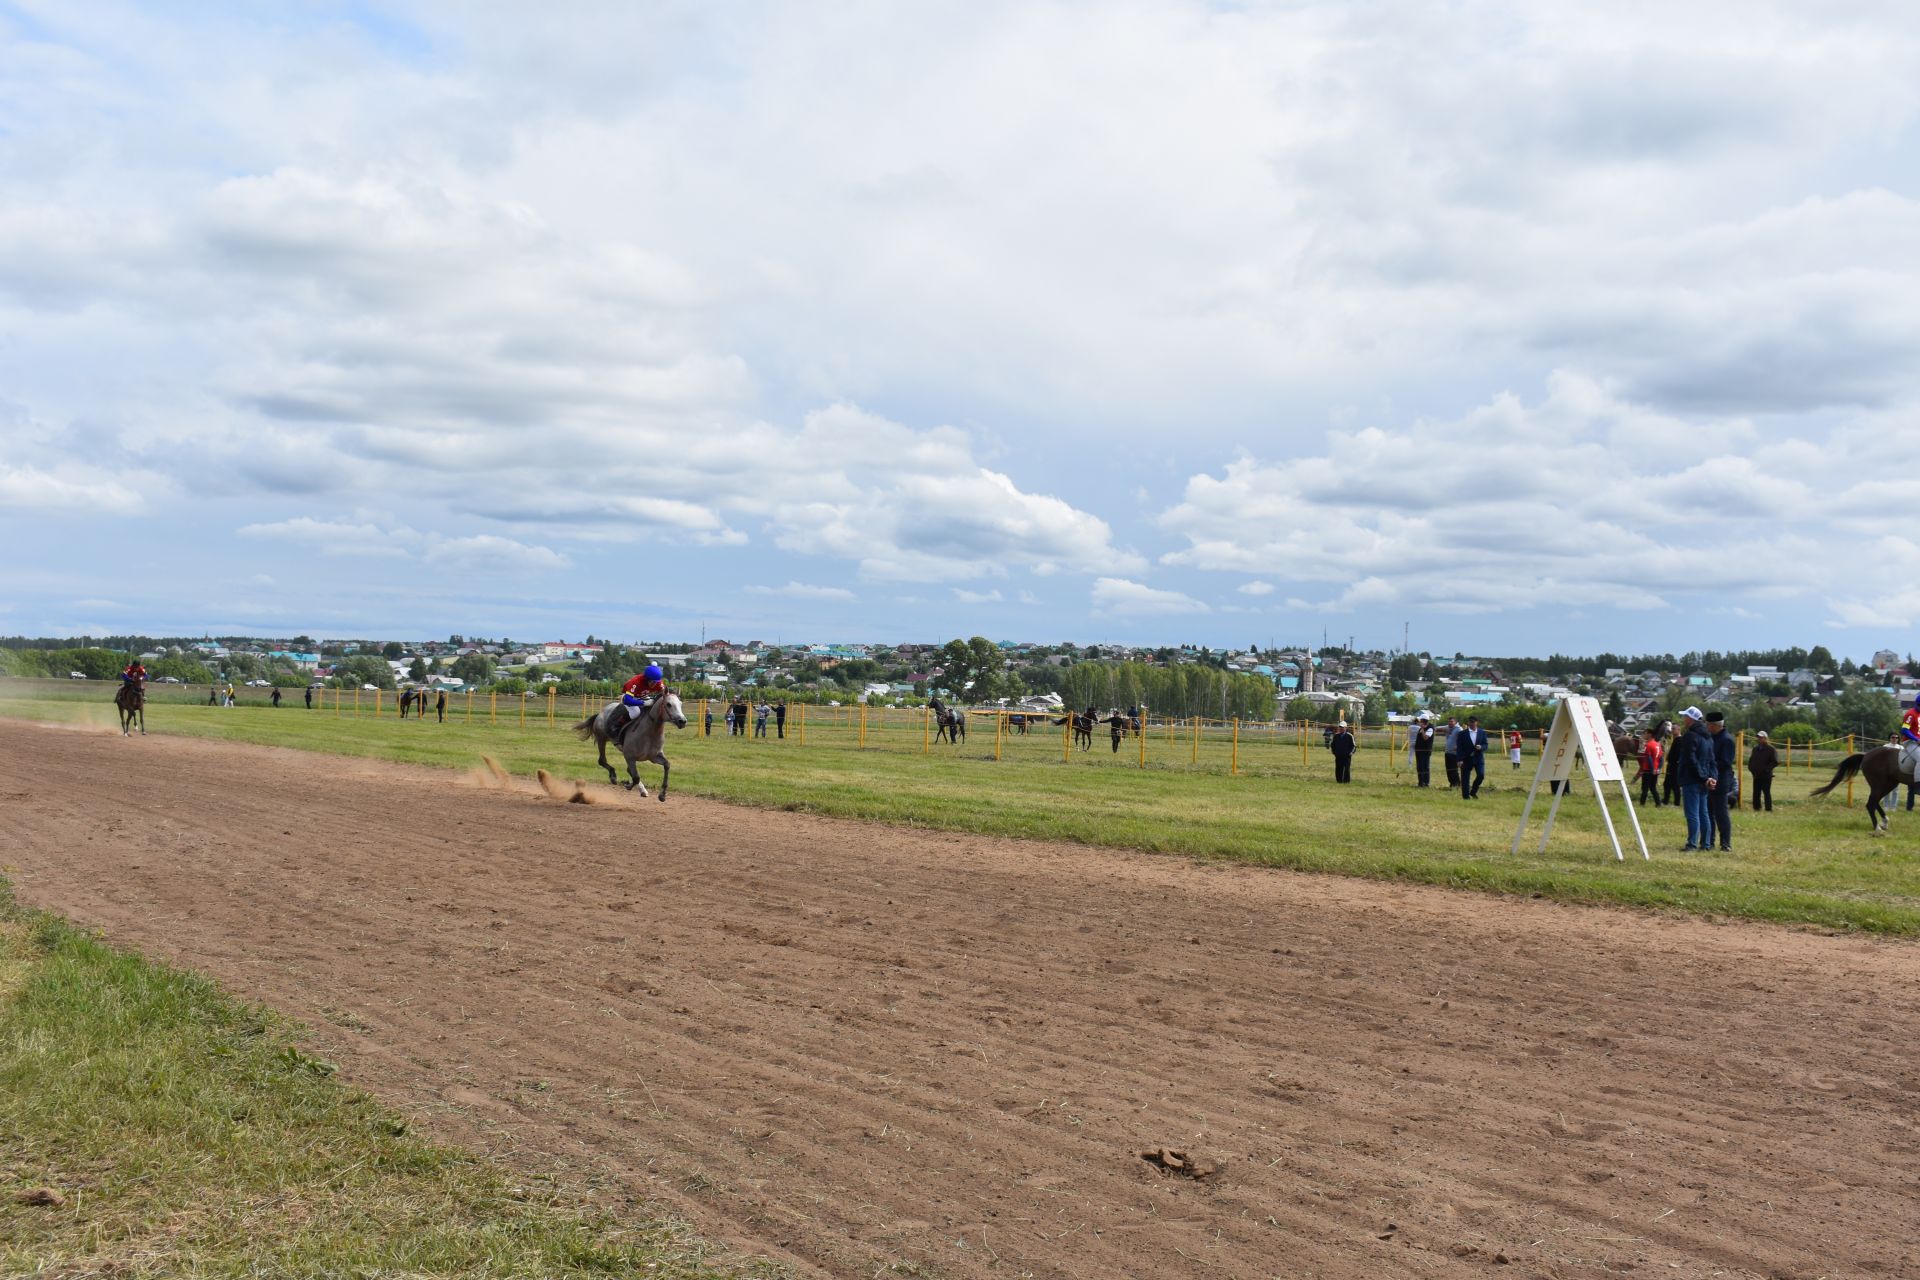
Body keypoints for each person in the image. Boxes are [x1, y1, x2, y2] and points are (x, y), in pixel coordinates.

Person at [1672, 707, 1716, 851]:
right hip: (1704, 779)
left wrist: (1702, 777)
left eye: (1685, 716)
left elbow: (1690, 759)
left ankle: (1692, 844)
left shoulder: (1690, 736)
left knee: (1692, 814)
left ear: (1691, 719)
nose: (1683, 719)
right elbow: (1711, 761)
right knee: (1703, 813)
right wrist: (1710, 778)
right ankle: (1706, 844)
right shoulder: (1708, 737)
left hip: (1692, 779)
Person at [1705, 711, 1735, 851]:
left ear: (1715, 725)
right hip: (1709, 779)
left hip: (1721, 781)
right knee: (1708, 812)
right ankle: (1709, 841)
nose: (1707, 727)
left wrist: (1709, 766)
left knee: (1721, 813)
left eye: (1708, 725)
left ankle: (1725, 843)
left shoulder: (1727, 740)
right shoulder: (1711, 738)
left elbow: (1725, 762)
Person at [619, 663, 666, 728]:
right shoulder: (635, 682)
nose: (654, 684)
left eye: (655, 682)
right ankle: (621, 723)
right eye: (651, 682)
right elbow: (627, 700)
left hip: (643, 696)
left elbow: (665, 694)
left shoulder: (658, 682)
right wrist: (644, 703)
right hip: (630, 698)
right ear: (646, 679)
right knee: (636, 713)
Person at [1457, 716, 1488, 799]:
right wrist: (1459, 760)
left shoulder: (1482, 732)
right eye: (1470, 722)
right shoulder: (1462, 734)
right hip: (1466, 759)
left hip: (1478, 758)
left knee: (1481, 775)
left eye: (1473, 722)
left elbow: (1486, 745)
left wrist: (1481, 747)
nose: (1472, 724)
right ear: (1468, 723)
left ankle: (1473, 791)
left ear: (1477, 722)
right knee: (1465, 778)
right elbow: (1459, 748)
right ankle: (1466, 797)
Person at [1748, 730, 1778, 812]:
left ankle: (1768, 809)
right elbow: (1751, 760)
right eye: (1758, 737)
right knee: (1756, 792)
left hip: (1766, 776)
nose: (1759, 739)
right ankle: (1756, 808)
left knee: (1766, 792)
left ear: (1765, 738)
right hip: (1756, 775)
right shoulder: (1755, 749)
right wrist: (1751, 768)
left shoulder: (1771, 749)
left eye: (1761, 737)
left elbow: (1775, 762)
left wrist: (1767, 770)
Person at [1637, 731, 1665, 807]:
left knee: (1645, 788)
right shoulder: (1658, 745)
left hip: (1648, 770)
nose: (1644, 735)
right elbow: (1661, 758)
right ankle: (1658, 803)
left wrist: (1652, 769)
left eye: (1645, 734)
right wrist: (1658, 768)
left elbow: (1649, 758)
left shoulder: (1649, 745)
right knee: (1653, 787)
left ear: (1649, 735)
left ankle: (1642, 804)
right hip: (1656, 770)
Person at [1411, 714, 1434, 787]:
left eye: (1420, 721)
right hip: (1419, 751)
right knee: (1419, 767)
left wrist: (1423, 729)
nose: (1419, 722)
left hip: (1425, 751)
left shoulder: (1430, 728)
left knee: (1425, 767)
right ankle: (1420, 782)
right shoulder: (1420, 728)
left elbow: (1425, 738)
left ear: (1424, 721)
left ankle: (1426, 783)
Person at [1443, 716, 1462, 789]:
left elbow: (1463, 740)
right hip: (1448, 752)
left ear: (1455, 722)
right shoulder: (1449, 728)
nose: (1450, 723)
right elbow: (1438, 727)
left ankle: (1457, 784)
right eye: (1449, 721)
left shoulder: (1459, 729)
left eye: (1451, 721)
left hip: (1454, 753)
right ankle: (1452, 783)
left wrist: (1458, 746)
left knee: (1453, 769)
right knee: (1448, 769)